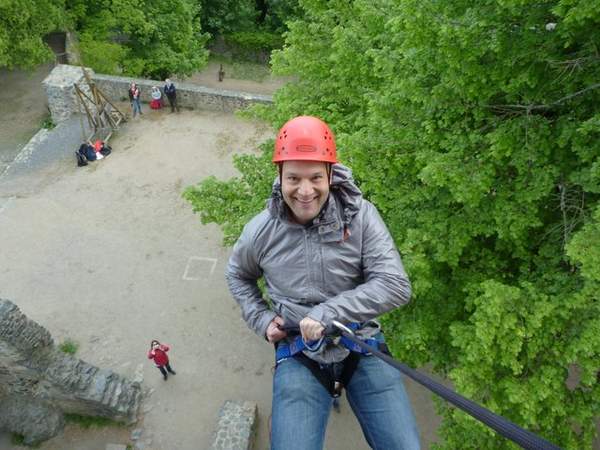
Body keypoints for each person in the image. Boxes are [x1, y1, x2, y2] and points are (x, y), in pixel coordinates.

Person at [226, 116, 421, 449]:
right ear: (280, 177)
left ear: (331, 174)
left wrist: (327, 313)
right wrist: (260, 318)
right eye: (294, 178)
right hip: (300, 354)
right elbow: (238, 275)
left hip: (360, 341)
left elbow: (395, 284)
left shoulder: (360, 218)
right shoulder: (261, 231)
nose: (305, 191)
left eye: (316, 177)